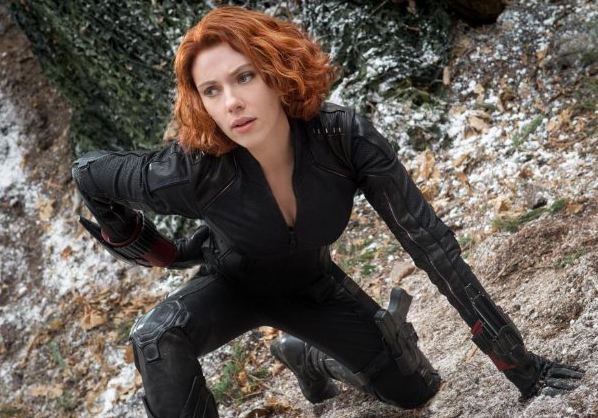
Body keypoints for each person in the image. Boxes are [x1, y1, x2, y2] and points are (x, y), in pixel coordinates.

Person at [71, 5, 584, 418]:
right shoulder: (190, 171)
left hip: (313, 289)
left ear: (276, 72)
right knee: (155, 337)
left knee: (414, 389)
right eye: (212, 91)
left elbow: (432, 247)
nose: (231, 103)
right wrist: (160, 252)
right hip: (229, 288)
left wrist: (520, 365)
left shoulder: (343, 138)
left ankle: (307, 354)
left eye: (244, 77)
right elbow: (88, 172)